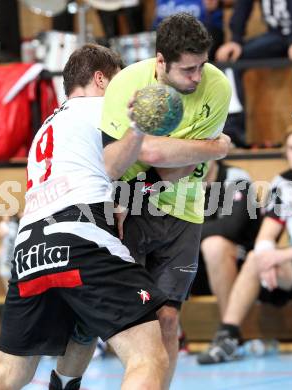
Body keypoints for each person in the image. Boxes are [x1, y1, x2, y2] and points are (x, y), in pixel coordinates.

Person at [0, 43, 170, 390]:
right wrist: (209, 145)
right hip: (79, 236)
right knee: (147, 357)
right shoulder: (102, 108)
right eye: (117, 81)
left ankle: (64, 383)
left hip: (29, 247)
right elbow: (150, 154)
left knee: (9, 374)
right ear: (101, 79)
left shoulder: (46, 127)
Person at [97, 12, 231, 387]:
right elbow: (115, 162)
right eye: (188, 70)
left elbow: (181, 168)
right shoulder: (127, 83)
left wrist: (182, 151)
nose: (197, 77)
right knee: (131, 322)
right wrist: (209, 148)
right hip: (127, 209)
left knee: (169, 319)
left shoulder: (217, 86)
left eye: (201, 66)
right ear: (161, 62)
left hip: (184, 209)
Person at [198, 121, 292, 364]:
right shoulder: (284, 184)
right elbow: (266, 234)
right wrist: (266, 255)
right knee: (256, 257)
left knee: (267, 257)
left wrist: (281, 256)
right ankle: (229, 337)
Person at [217, 0, 292, 146]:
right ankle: (233, 132)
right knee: (229, 61)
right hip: (276, 35)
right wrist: (235, 40)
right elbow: (242, 7)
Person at [191, 160, 261, 317]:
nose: (197, 161)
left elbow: (231, 227)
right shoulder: (178, 180)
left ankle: (229, 331)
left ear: (215, 154)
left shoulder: (235, 177)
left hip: (241, 264)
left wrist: (184, 231)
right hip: (195, 266)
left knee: (214, 246)